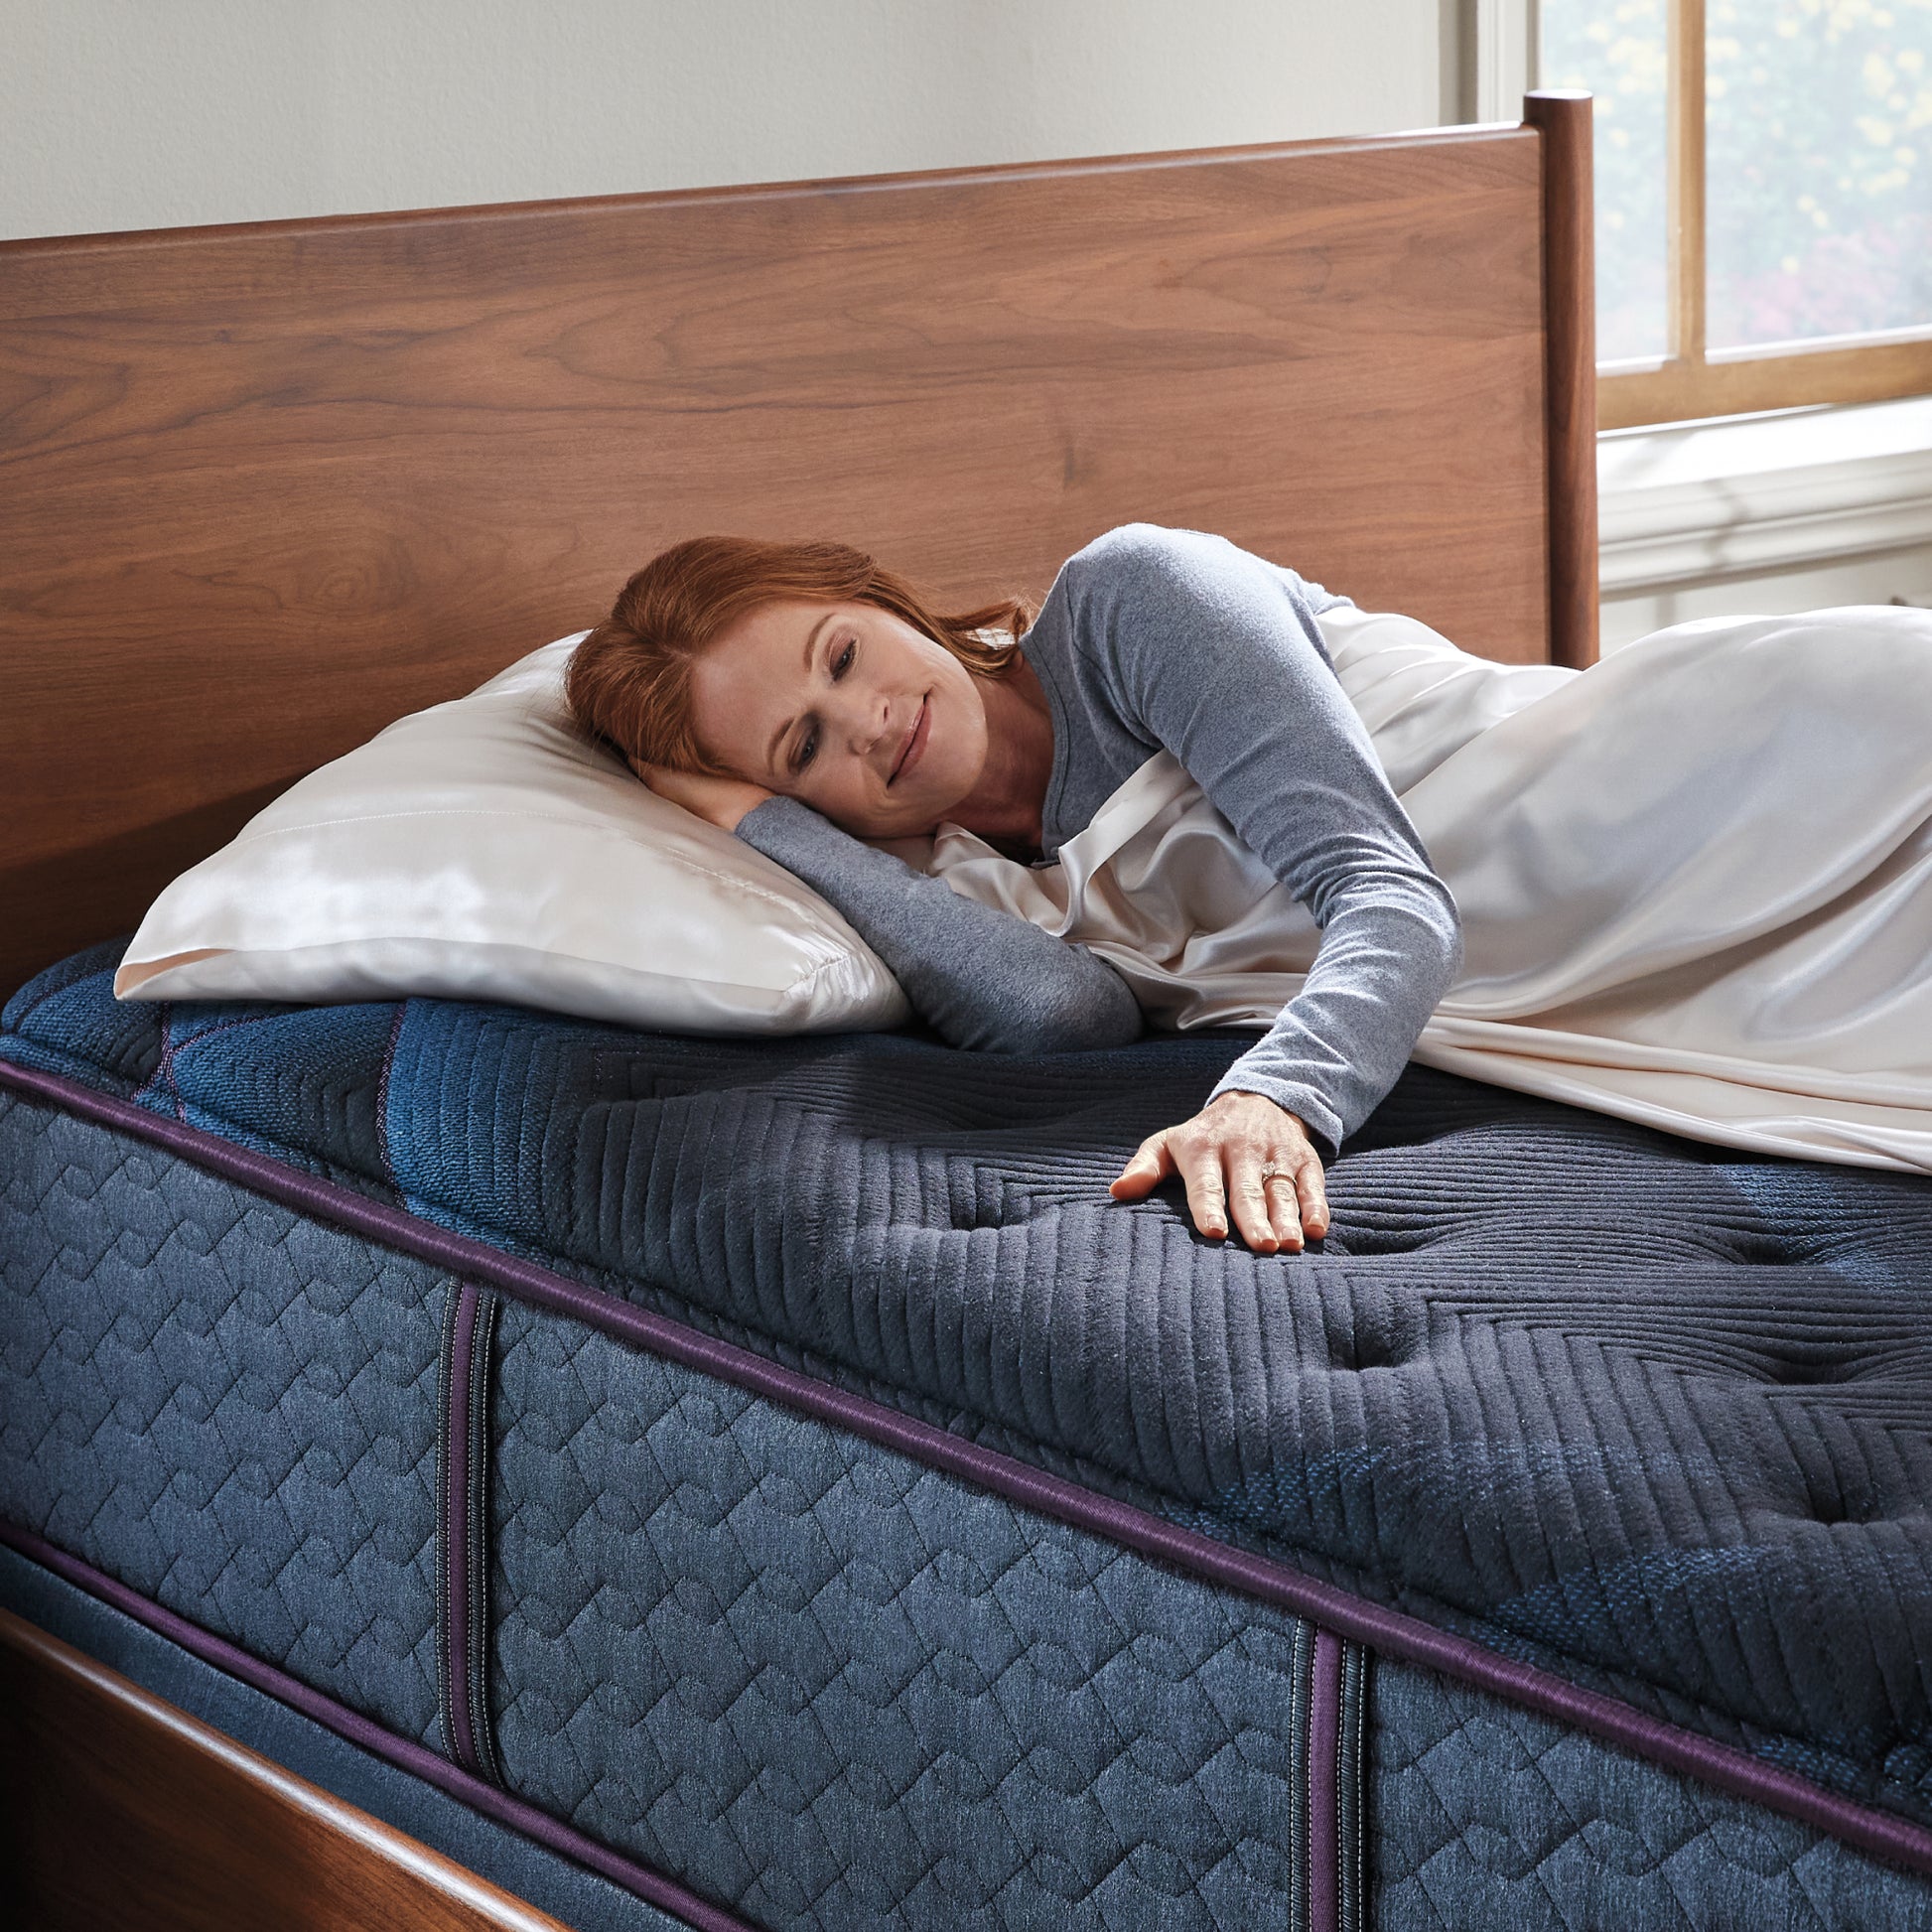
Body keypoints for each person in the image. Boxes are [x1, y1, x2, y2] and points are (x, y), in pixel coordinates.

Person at [565, 523, 1463, 1256]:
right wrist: (762, 825)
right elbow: (1064, 1017)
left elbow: (1389, 890)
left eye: (841, 658)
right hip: (1507, 1003)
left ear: (878, 597)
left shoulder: (1132, 599)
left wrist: (1273, 1099)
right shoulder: (946, 878)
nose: (867, 722)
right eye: (802, 748)